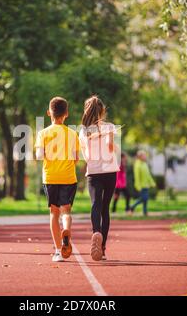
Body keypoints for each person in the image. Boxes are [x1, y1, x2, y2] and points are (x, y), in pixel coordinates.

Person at [35, 96, 79, 262]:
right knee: (66, 211)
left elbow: (39, 156)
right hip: (68, 177)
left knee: (54, 213)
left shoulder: (43, 133)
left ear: (49, 113)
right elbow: (75, 159)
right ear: (66, 114)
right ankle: (66, 229)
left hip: (50, 177)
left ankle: (58, 252)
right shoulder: (72, 133)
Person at [79, 96, 120, 261]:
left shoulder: (83, 131)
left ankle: (96, 231)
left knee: (95, 204)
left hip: (94, 171)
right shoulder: (109, 127)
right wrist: (112, 142)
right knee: (105, 208)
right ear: (102, 111)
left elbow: (85, 155)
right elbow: (111, 149)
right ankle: (102, 249)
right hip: (110, 170)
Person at [129, 150, 156, 215]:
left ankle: (145, 212)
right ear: (140, 156)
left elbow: (148, 175)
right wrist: (138, 186)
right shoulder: (137, 164)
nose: (145, 157)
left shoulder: (144, 164)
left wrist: (152, 183)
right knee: (144, 198)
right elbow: (137, 176)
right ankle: (132, 206)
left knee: (145, 199)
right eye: (144, 155)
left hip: (146, 185)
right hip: (141, 185)